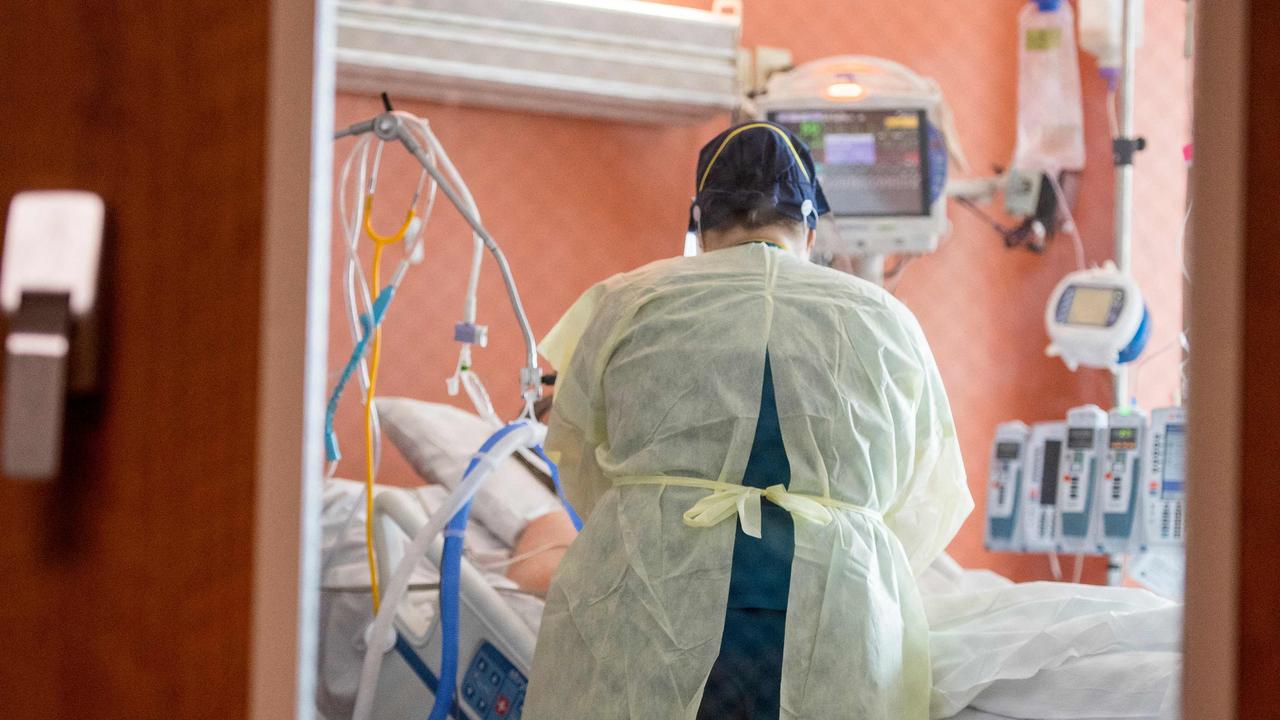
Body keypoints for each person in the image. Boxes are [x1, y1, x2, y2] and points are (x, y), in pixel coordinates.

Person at [523, 121, 972, 719]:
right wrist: (842, 545)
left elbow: (577, 454)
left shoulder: (631, 300)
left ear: (699, 225)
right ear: (810, 227)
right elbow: (928, 494)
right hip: (832, 606)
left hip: (655, 594)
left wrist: (654, 523)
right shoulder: (884, 319)